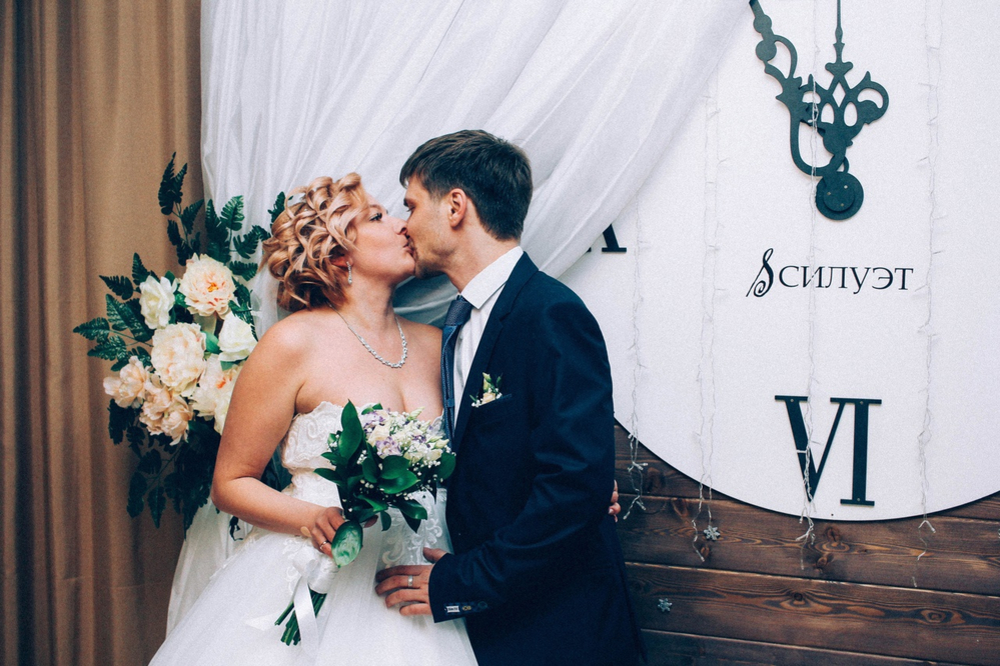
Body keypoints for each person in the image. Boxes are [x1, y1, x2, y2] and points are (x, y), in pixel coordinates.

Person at [150, 173, 478, 664]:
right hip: (315, 570)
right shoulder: (293, 343)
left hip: (419, 580)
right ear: (340, 253)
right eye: (377, 216)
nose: (402, 225)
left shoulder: (437, 345)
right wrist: (313, 518)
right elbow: (231, 482)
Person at [375, 130, 645, 665]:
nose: (404, 225)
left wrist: (461, 582)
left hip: (557, 630)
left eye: (411, 205)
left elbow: (574, 488)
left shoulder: (549, 313)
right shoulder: (454, 323)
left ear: (456, 206)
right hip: (496, 629)